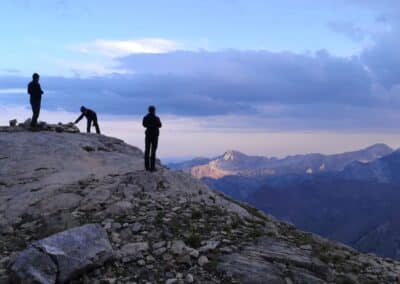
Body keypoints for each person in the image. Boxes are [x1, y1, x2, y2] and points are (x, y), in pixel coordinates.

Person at [143, 105, 162, 172]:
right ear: (154, 110)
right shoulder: (156, 118)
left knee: (147, 150)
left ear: (149, 110)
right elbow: (160, 125)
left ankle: (147, 167)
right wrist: (154, 125)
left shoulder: (146, 117)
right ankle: (152, 168)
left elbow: (144, 125)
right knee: (153, 151)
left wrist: (149, 125)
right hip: (155, 135)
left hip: (148, 135)